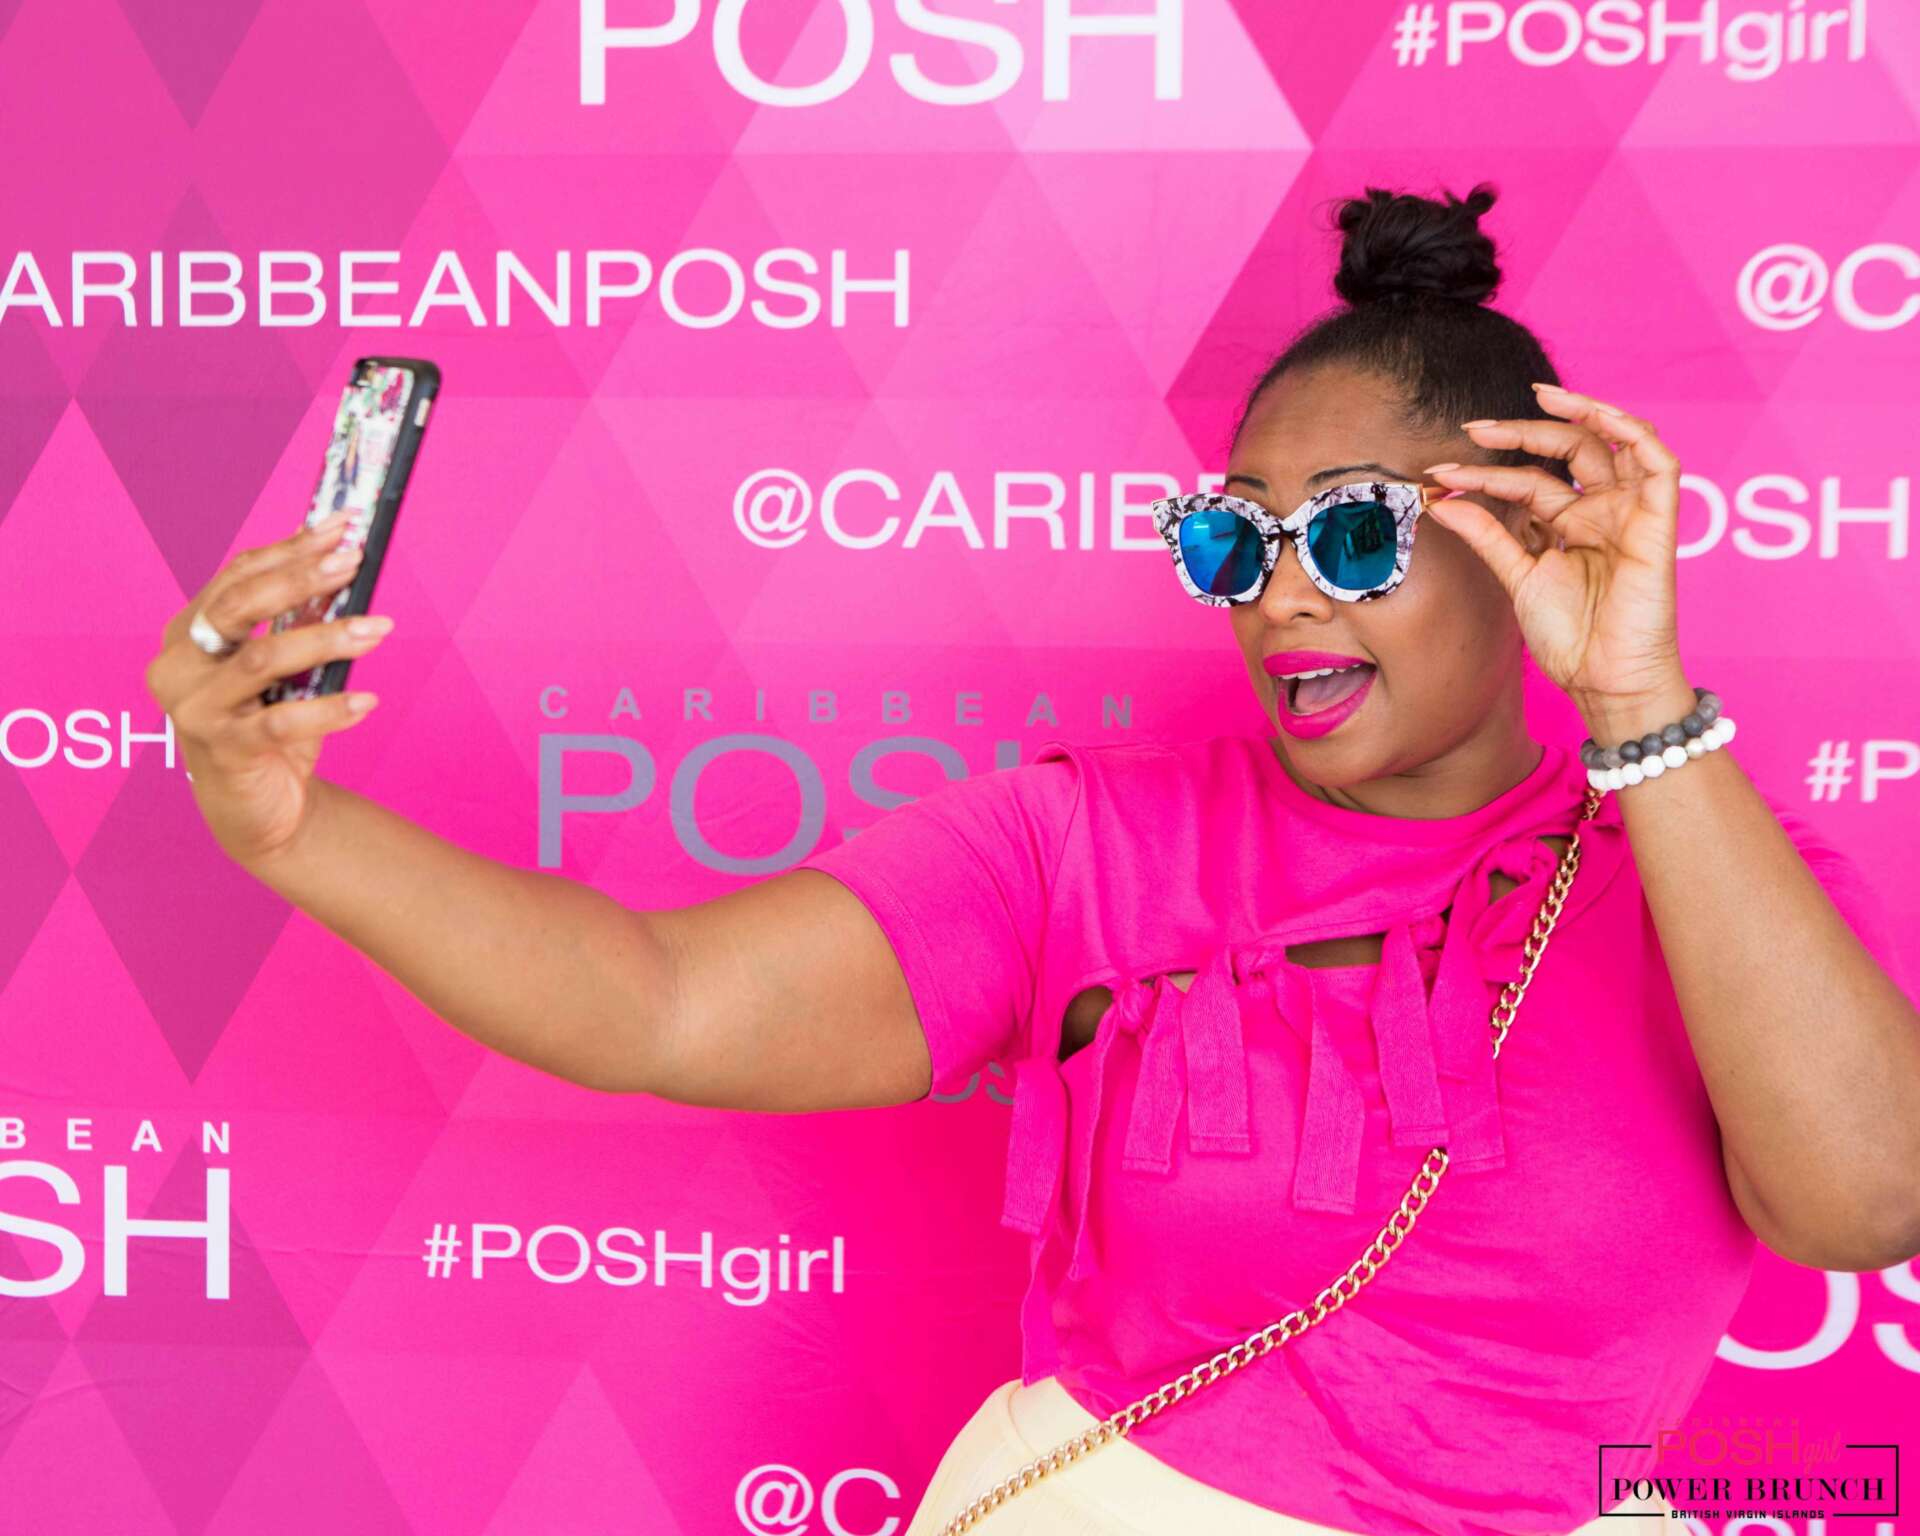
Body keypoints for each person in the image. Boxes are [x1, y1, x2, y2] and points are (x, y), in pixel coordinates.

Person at [144, 182, 1920, 1536]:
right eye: (1233, 544)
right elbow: (658, 998)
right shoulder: (1088, 844)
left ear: (1523, 532)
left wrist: (1639, 706)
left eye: (1354, 536)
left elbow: (1864, 1204)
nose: (1281, 596)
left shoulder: (1703, 870)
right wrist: (298, 832)